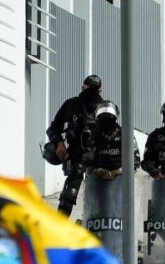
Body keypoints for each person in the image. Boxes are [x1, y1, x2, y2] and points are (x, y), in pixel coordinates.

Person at [46, 75, 103, 216]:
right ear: (83, 87)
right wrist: (59, 144)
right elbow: (53, 128)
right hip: (75, 156)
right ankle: (60, 229)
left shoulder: (105, 108)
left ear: (100, 90)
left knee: (102, 196)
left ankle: (97, 229)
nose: (90, 93)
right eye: (89, 88)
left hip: (99, 159)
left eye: (93, 90)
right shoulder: (71, 105)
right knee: (69, 195)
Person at [82, 101, 140, 178]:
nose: (106, 119)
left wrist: (119, 172)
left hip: (122, 180)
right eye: (103, 116)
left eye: (109, 116)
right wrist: (99, 171)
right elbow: (86, 163)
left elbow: (135, 161)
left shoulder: (125, 135)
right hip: (98, 182)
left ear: (114, 117)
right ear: (98, 118)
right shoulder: (94, 137)